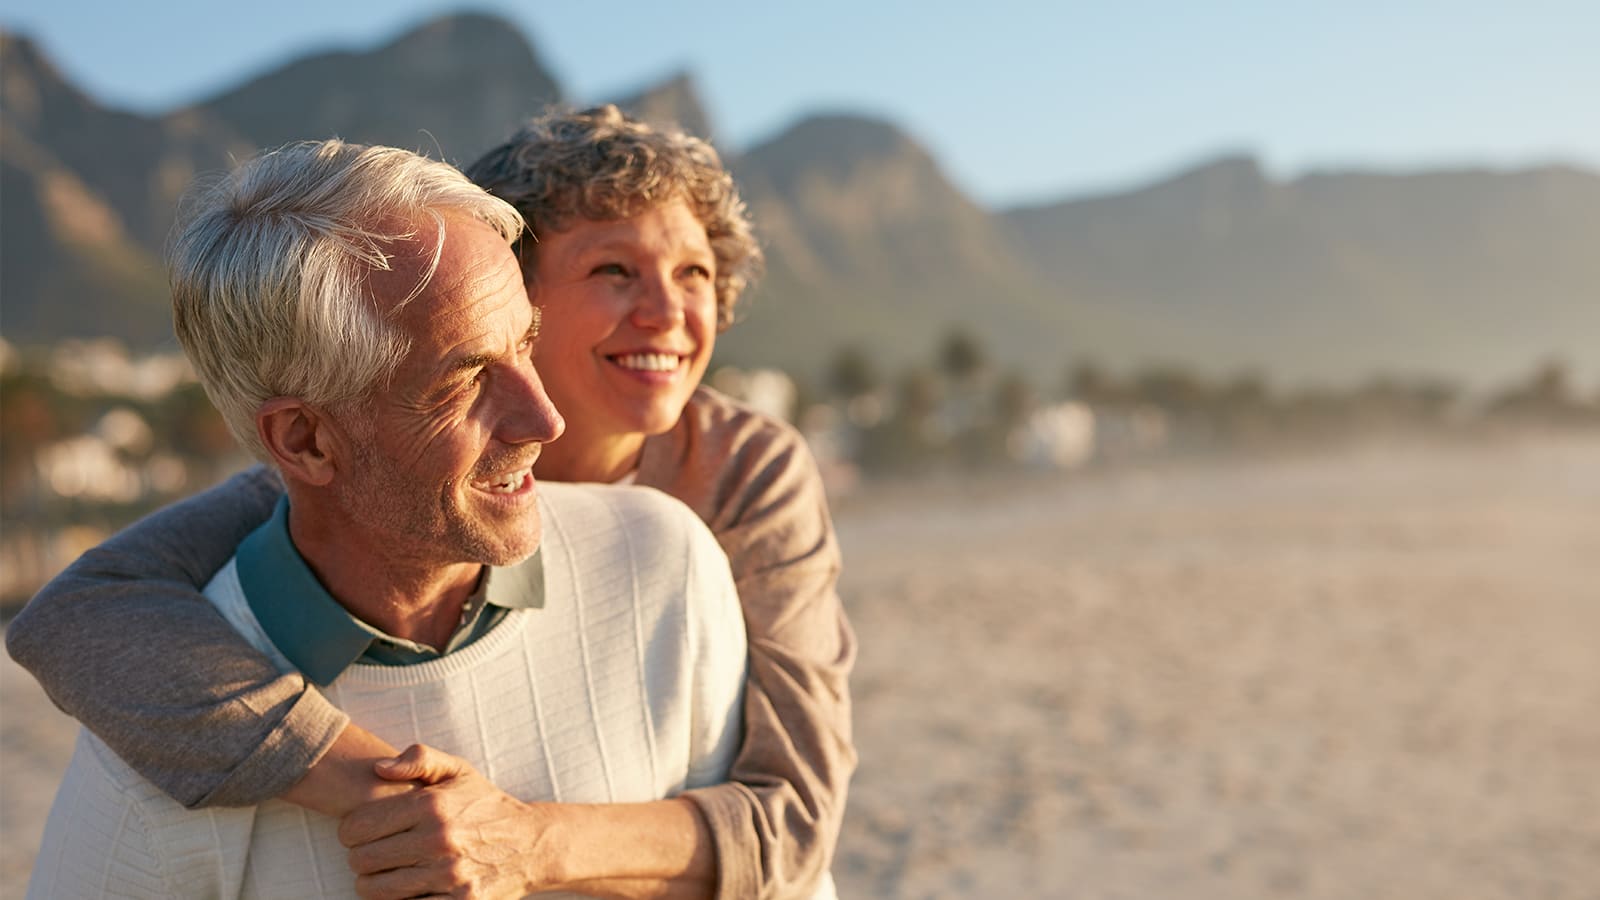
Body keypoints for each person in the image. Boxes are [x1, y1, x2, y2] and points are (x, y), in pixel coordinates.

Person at [8, 107, 854, 899]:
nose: (668, 310)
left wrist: (527, 843)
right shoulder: (339, 468)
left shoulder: (712, 511)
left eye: (696, 271)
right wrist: (376, 786)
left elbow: (797, 825)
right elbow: (82, 611)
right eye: (613, 270)